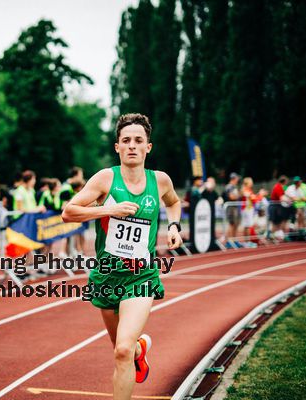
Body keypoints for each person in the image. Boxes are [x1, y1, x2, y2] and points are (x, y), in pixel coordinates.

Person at [62, 113, 182, 399]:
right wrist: (107, 210)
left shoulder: (160, 180)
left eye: (138, 140)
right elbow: (68, 212)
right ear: (117, 147)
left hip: (141, 275)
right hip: (107, 275)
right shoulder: (106, 178)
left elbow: (174, 202)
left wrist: (174, 226)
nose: (132, 146)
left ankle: (134, 350)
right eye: (126, 140)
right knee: (123, 347)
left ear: (148, 147)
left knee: (122, 351)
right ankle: (141, 350)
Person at [222, 172, 241, 241]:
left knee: (235, 224)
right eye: (237, 178)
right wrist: (239, 195)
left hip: (235, 207)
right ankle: (227, 241)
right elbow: (231, 197)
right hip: (231, 208)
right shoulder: (229, 187)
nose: (238, 180)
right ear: (234, 178)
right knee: (232, 224)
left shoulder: (234, 187)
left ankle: (234, 240)